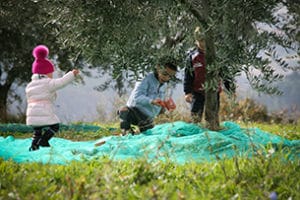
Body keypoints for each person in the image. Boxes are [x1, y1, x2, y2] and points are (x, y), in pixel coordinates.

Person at [26, 45, 80, 151]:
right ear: (46, 73)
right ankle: (44, 140)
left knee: (37, 130)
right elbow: (62, 82)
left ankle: (34, 145)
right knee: (55, 126)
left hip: (31, 114)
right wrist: (72, 74)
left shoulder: (30, 85)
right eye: (51, 73)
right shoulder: (48, 83)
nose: (52, 75)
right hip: (44, 111)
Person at [118, 56, 178, 135]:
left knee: (150, 135)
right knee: (123, 110)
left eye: (170, 76)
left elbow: (160, 104)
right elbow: (137, 97)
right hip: (135, 111)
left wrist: (165, 106)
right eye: (165, 74)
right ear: (158, 68)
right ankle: (126, 132)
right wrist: (151, 101)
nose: (167, 78)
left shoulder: (164, 85)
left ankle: (138, 131)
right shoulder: (145, 77)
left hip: (148, 118)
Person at [184, 29, 234, 123]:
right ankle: (195, 133)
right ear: (196, 41)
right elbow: (188, 76)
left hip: (213, 92)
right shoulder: (192, 57)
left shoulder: (217, 56)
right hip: (197, 92)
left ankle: (213, 131)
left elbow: (225, 74)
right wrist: (187, 92)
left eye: (205, 40)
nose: (203, 43)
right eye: (200, 41)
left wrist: (231, 89)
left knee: (213, 117)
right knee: (195, 117)